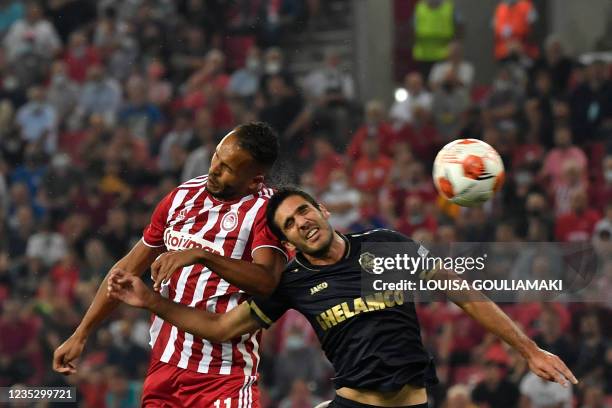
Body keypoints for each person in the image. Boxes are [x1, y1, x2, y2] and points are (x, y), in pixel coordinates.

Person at [108, 188, 578, 408]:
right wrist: (152, 302)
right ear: (288, 241)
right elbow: (220, 329)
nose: (300, 224)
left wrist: (529, 349)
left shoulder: (384, 247)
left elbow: (465, 294)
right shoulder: (291, 282)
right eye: (289, 225)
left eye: (303, 212)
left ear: (323, 210)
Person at [53, 122, 289, 407]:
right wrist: (82, 333)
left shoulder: (267, 210)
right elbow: (126, 270)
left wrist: (200, 254)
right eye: (216, 156)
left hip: (222, 376)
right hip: (163, 368)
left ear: (254, 180)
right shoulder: (182, 197)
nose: (214, 168)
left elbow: (266, 282)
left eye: (228, 168)